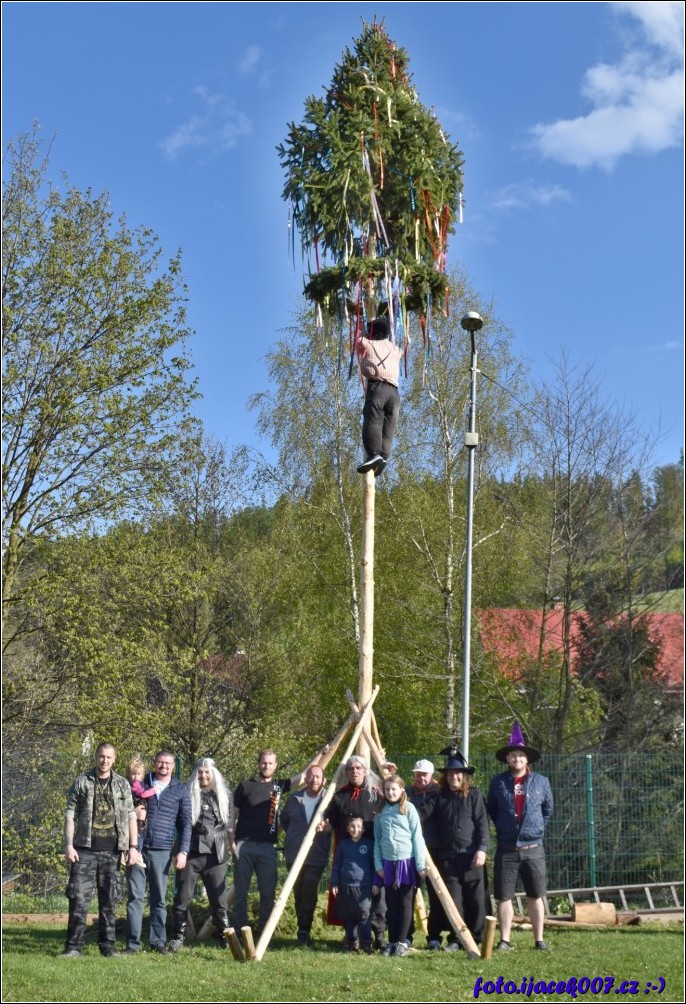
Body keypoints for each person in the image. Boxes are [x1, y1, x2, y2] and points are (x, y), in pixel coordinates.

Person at [61, 742, 139, 958]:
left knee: (109, 900)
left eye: (109, 757)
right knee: (78, 898)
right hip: (83, 850)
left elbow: (132, 816)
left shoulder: (123, 784)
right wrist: (68, 845)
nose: (104, 761)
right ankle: (74, 947)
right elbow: (69, 815)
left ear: (114, 760)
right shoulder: (81, 782)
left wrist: (133, 847)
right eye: (101, 756)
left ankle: (108, 947)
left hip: (112, 851)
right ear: (96, 757)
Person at [231, 748, 313, 938]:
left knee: (267, 892)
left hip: (267, 848)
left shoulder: (278, 786)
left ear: (275, 765)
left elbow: (302, 777)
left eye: (270, 763)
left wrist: (321, 753)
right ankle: (239, 932)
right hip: (244, 845)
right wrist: (231, 841)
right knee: (241, 892)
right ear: (259, 763)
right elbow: (232, 815)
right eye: (263, 762)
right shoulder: (245, 785)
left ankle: (264, 934)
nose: (266, 766)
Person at [486, 722, 554, 953]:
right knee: (504, 896)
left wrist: (534, 829)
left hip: (533, 847)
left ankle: (539, 940)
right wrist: (508, 828)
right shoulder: (498, 783)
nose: (517, 759)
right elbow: (493, 810)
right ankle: (505, 940)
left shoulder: (541, 782)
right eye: (513, 755)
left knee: (536, 895)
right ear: (507, 759)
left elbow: (547, 810)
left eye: (520, 756)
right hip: (507, 848)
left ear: (527, 760)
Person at [125, 749, 192, 955]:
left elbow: (186, 823)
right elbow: (124, 813)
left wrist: (182, 851)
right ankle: (132, 944)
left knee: (159, 899)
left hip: (163, 850)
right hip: (138, 848)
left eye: (168, 763)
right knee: (135, 897)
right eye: (160, 762)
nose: (164, 766)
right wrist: (130, 846)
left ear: (173, 766)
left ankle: (158, 941)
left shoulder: (180, 790)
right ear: (154, 763)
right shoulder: (139, 784)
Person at [424, 747, 489, 951]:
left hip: (471, 857)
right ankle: (457, 938)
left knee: (476, 900)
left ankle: (476, 937)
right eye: (451, 773)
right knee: (454, 900)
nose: (454, 776)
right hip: (448, 857)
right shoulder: (438, 796)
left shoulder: (475, 795)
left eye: (458, 773)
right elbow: (421, 814)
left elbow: (482, 824)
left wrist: (482, 849)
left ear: (465, 775)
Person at [322, 753, 387, 950]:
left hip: (373, 852)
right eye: (351, 769)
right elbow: (330, 821)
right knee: (351, 896)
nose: (355, 771)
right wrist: (323, 826)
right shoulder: (340, 795)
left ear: (366, 771)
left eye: (358, 768)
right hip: (349, 853)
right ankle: (352, 935)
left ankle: (380, 935)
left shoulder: (376, 794)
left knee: (377, 895)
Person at [168, 757, 234, 951]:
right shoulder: (187, 795)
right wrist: (177, 851)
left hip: (216, 855)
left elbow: (229, 824)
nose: (203, 776)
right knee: (182, 897)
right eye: (200, 772)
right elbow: (181, 825)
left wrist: (214, 835)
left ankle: (224, 938)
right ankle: (178, 937)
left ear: (213, 775)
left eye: (207, 772)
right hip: (190, 853)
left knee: (219, 900)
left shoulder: (225, 795)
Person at [373, 775, 426, 958]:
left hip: (407, 863)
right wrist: (378, 864)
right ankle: (392, 940)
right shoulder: (380, 812)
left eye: (394, 789)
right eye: (387, 789)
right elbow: (377, 840)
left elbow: (417, 837)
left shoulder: (409, 809)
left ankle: (403, 941)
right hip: (388, 863)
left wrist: (420, 865)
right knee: (391, 905)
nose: (391, 792)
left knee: (405, 904)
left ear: (402, 790)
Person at [280, 763, 332, 946]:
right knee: (298, 892)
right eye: (310, 776)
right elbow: (284, 821)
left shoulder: (329, 799)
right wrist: (296, 836)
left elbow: (334, 824)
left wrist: (327, 828)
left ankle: (304, 931)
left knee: (309, 891)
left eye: (318, 776)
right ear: (306, 779)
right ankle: (302, 929)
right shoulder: (294, 799)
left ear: (324, 779)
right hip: (294, 854)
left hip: (316, 855)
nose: (314, 780)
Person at [356, 314, 403, 475]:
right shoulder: (395, 349)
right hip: (395, 394)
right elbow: (401, 351)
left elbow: (358, 340)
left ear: (373, 333)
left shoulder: (369, 344)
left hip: (378, 388)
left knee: (373, 419)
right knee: (388, 428)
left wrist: (361, 325)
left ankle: (374, 455)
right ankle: (383, 457)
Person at [406, 758, 440, 947]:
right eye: (418, 774)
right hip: (409, 850)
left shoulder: (437, 794)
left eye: (424, 775)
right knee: (408, 895)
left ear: (431, 776)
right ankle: (406, 936)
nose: (421, 778)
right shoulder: (407, 792)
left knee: (436, 894)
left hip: (433, 849)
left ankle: (434, 936)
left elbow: (420, 815)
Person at [331, 815, 375, 954]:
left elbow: (375, 866)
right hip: (346, 886)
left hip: (364, 886)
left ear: (363, 829)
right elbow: (336, 865)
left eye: (359, 826)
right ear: (348, 829)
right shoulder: (343, 845)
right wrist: (335, 883)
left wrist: (376, 884)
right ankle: (352, 944)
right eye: (352, 826)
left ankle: (367, 944)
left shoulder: (369, 844)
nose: (356, 829)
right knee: (349, 917)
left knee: (364, 917)